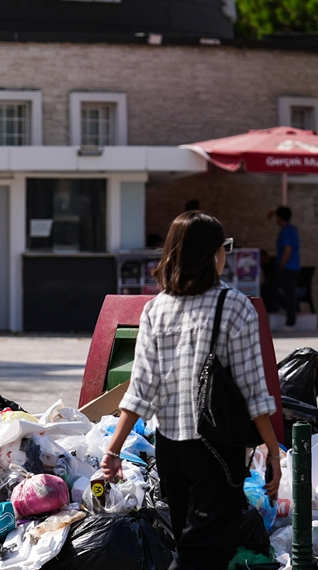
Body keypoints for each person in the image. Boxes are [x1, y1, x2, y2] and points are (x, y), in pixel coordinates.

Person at [101, 211, 280, 570]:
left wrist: (113, 449)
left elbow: (140, 389)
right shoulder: (234, 306)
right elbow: (253, 390)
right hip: (215, 449)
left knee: (190, 545)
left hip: (170, 453)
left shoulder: (156, 310)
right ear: (215, 254)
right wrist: (272, 450)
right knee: (204, 555)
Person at [271, 206, 301, 327]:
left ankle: (290, 320)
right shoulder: (293, 229)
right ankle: (289, 316)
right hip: (293, 266)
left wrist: (281, 264)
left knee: (284, 292)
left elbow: (287, 249)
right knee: (288, 292)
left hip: (286, 267)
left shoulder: (286, 231)